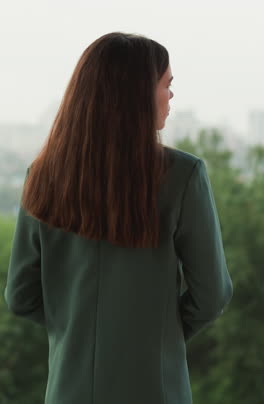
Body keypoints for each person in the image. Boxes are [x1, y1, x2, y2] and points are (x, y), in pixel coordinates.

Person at [4, 31, 233, 404]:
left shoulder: (42, 175)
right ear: (138, 95)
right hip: (155, 390)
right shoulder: (182, 175)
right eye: (167, 84)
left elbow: (20, 295)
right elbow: (212, 294)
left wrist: (79, 334)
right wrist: (157, 338)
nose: (172, 96)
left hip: (67, 391)